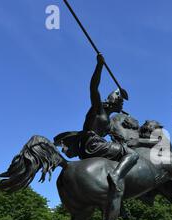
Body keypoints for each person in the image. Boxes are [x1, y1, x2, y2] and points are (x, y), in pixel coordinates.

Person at [54, 53, 138, 192]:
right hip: (93, 144)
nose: (122, 106)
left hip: (93, 145)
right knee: (132, 155)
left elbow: (120, 139)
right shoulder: (98, 109)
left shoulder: (110, 122)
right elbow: (94, 87)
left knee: (119, 156)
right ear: (113, 102)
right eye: (120, 103)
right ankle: (116, 177)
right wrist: (99, 65)